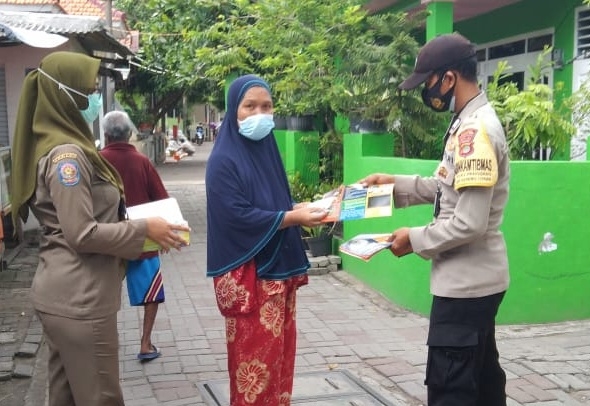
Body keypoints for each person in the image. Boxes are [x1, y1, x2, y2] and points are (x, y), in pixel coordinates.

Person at [11, 51, 189, 406]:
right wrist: (142, 229)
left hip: (65, 294)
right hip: (81, 298)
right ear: (66, 94)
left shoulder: (67, 148)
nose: (95, 100)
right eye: (90, 91)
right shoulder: (68, 158)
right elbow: (82, 233)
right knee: (102, 398)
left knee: (65, 397)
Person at [360, 33, 510, 405]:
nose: (425, 92)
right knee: (483, 381)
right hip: (477, 283)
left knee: (451, 390)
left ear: (448, 79)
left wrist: (412, 239)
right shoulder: (467, 122)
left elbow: (469, 222)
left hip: (464, 287)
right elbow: (445, 187)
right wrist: (392, 185)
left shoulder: (476, 131)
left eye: (427, 82)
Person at [205, 74, 328, 406]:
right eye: (249, 106)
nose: (260, 113)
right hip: (252, 282)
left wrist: (305, 208)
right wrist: (292, 218)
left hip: (279, 277)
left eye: (267, 106)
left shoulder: (267, 152)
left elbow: (273, 204)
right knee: (254, 373)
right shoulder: (223, 160)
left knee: (279, 366)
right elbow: (236, 217)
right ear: (234, 111)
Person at [100, 110, 168, 362]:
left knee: (103, 294)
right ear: (129, 134)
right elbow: (162, 199)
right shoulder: (142, 161)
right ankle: (145, 344)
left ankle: (105, 348)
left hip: (106, 241)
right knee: (151, 293)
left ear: (106, 135)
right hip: (142, 239)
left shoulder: (97, 161)